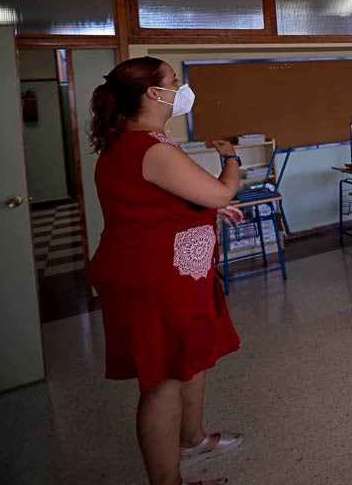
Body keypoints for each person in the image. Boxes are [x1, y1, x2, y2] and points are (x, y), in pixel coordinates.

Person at [87, 57, 244, 485]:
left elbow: (156, 203)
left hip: (169, 271)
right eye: (174, 81)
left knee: (188, 361)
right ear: (154, 94)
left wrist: (204, 208)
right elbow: (220, 190)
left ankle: (191, 439)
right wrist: (231, 159)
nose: (181, 87)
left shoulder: (130, 142)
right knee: (162, 381)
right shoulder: (151, 147)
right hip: (156, 279)